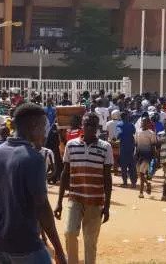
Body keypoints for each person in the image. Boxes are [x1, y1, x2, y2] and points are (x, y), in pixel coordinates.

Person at [0, 103, 67, 264]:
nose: (44, 134)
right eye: (43, 127)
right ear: (33, 126)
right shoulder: (34, 158)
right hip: (25, 246)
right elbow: (42, 206)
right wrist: (58, 250)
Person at [55, 112, 113, 264]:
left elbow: (107, 178)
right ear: (82, 125)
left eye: (93, 125)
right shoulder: (71, 145)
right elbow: (65, 173)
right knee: (69, 233)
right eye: (87, 124)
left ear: (97, 127)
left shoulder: (105, 147)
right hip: (75, 198)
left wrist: (107, 206)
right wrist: (59, 202)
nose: (90, 128)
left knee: (90, 241)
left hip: (95, 201)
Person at [135, 113, 158, 198]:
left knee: (141, 173)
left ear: (148, 124)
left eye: (145, 122)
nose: (143, 123)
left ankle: (141, 193)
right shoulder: (138, 132)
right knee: (139, 174)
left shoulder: (151, 133)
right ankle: (148, 184)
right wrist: (135, 154)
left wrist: (154, 157)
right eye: (142, 122)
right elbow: (136, 144)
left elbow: (153, 146)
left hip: (147, 156)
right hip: (139, 156)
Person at [116, 110, 138, 188]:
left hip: (123, 147)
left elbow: (119, 134)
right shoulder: (131, 124)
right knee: (132, 165)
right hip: (131, 146)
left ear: (121, 117)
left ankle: (125, 183)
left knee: (124, 166)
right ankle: (133, 182)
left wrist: (117, 137)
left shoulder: (119, 124)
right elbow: (134, 132)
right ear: (126, 117)